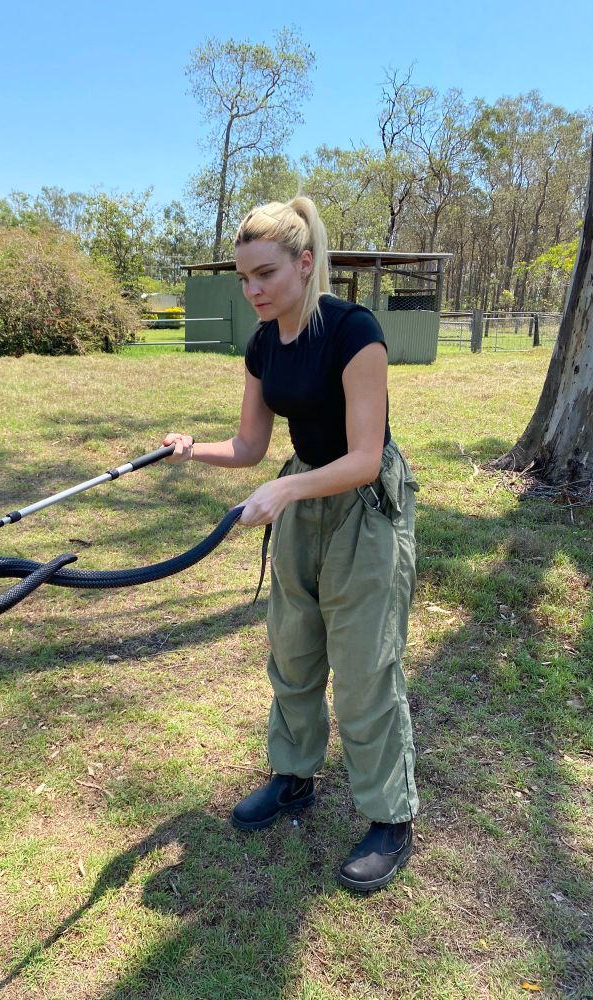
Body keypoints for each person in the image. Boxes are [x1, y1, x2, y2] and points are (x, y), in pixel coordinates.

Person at [164, 196, 419, 892]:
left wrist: (283, 493)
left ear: (305, 264)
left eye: (266, 275)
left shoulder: (353, 331)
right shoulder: (262, 342)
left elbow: (366, 456)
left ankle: (391, 817)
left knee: (365, 664)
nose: (253, 292)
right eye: (245, 278)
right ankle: (294, 777)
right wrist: (193, 451)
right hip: (303, 493)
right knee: (294, 645)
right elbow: (250, 446)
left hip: (365, 505)